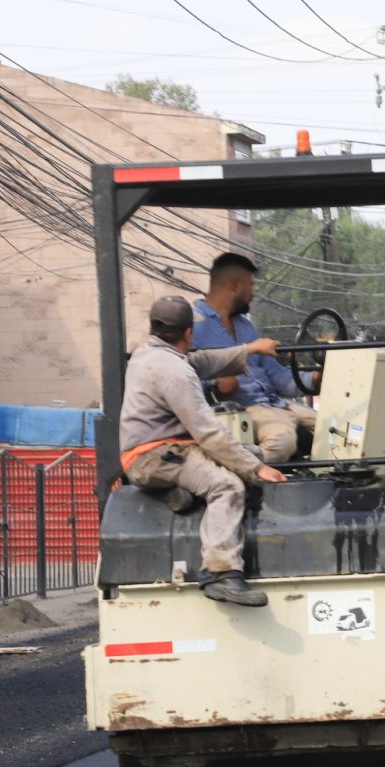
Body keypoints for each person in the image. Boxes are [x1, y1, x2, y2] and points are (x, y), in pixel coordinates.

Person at [120, 294, 287, 607]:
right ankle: (220, 573)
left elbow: (204, 361)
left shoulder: (148, 355)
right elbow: (209, 433)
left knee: (253, 452)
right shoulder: (175, 373)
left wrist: (251, 349)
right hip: (154, 457)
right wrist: (254, 470)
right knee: (228, 484)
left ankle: (175, 491)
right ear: (188, 333)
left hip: (155, 451)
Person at [193, 252, 316, 464]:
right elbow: (179, 373)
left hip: (276, 404)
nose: (254, 293)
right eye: (251, 285)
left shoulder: (245, 326)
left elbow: (277, 375)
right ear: (234, 286)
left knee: (341, 428)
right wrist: (214, 386)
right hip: (242, 410)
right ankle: (248, 479)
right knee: (282, 441)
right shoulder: (194, 324)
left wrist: (313, 380)